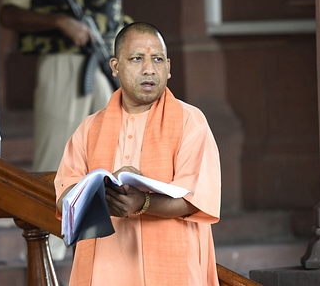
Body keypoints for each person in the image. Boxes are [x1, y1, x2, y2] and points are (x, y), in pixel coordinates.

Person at [55, 22, 222, 286]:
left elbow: (196, 199)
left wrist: (141, 202)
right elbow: (65, 198)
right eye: (136, 58)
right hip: (105, 268)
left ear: (168, 68)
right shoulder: (90, 128)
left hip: (173, 266)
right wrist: (103, 192)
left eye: (157, 59)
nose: (149, 69)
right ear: (115, 67)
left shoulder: (190, 121)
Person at [0, 0, 129, 174]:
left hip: (104, 62)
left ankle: (99, 215)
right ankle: (47, 216)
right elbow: (9, 13)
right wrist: (59, 21)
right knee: (57, 158)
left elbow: (115, 9)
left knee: (109, 155)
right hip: (62, 63)